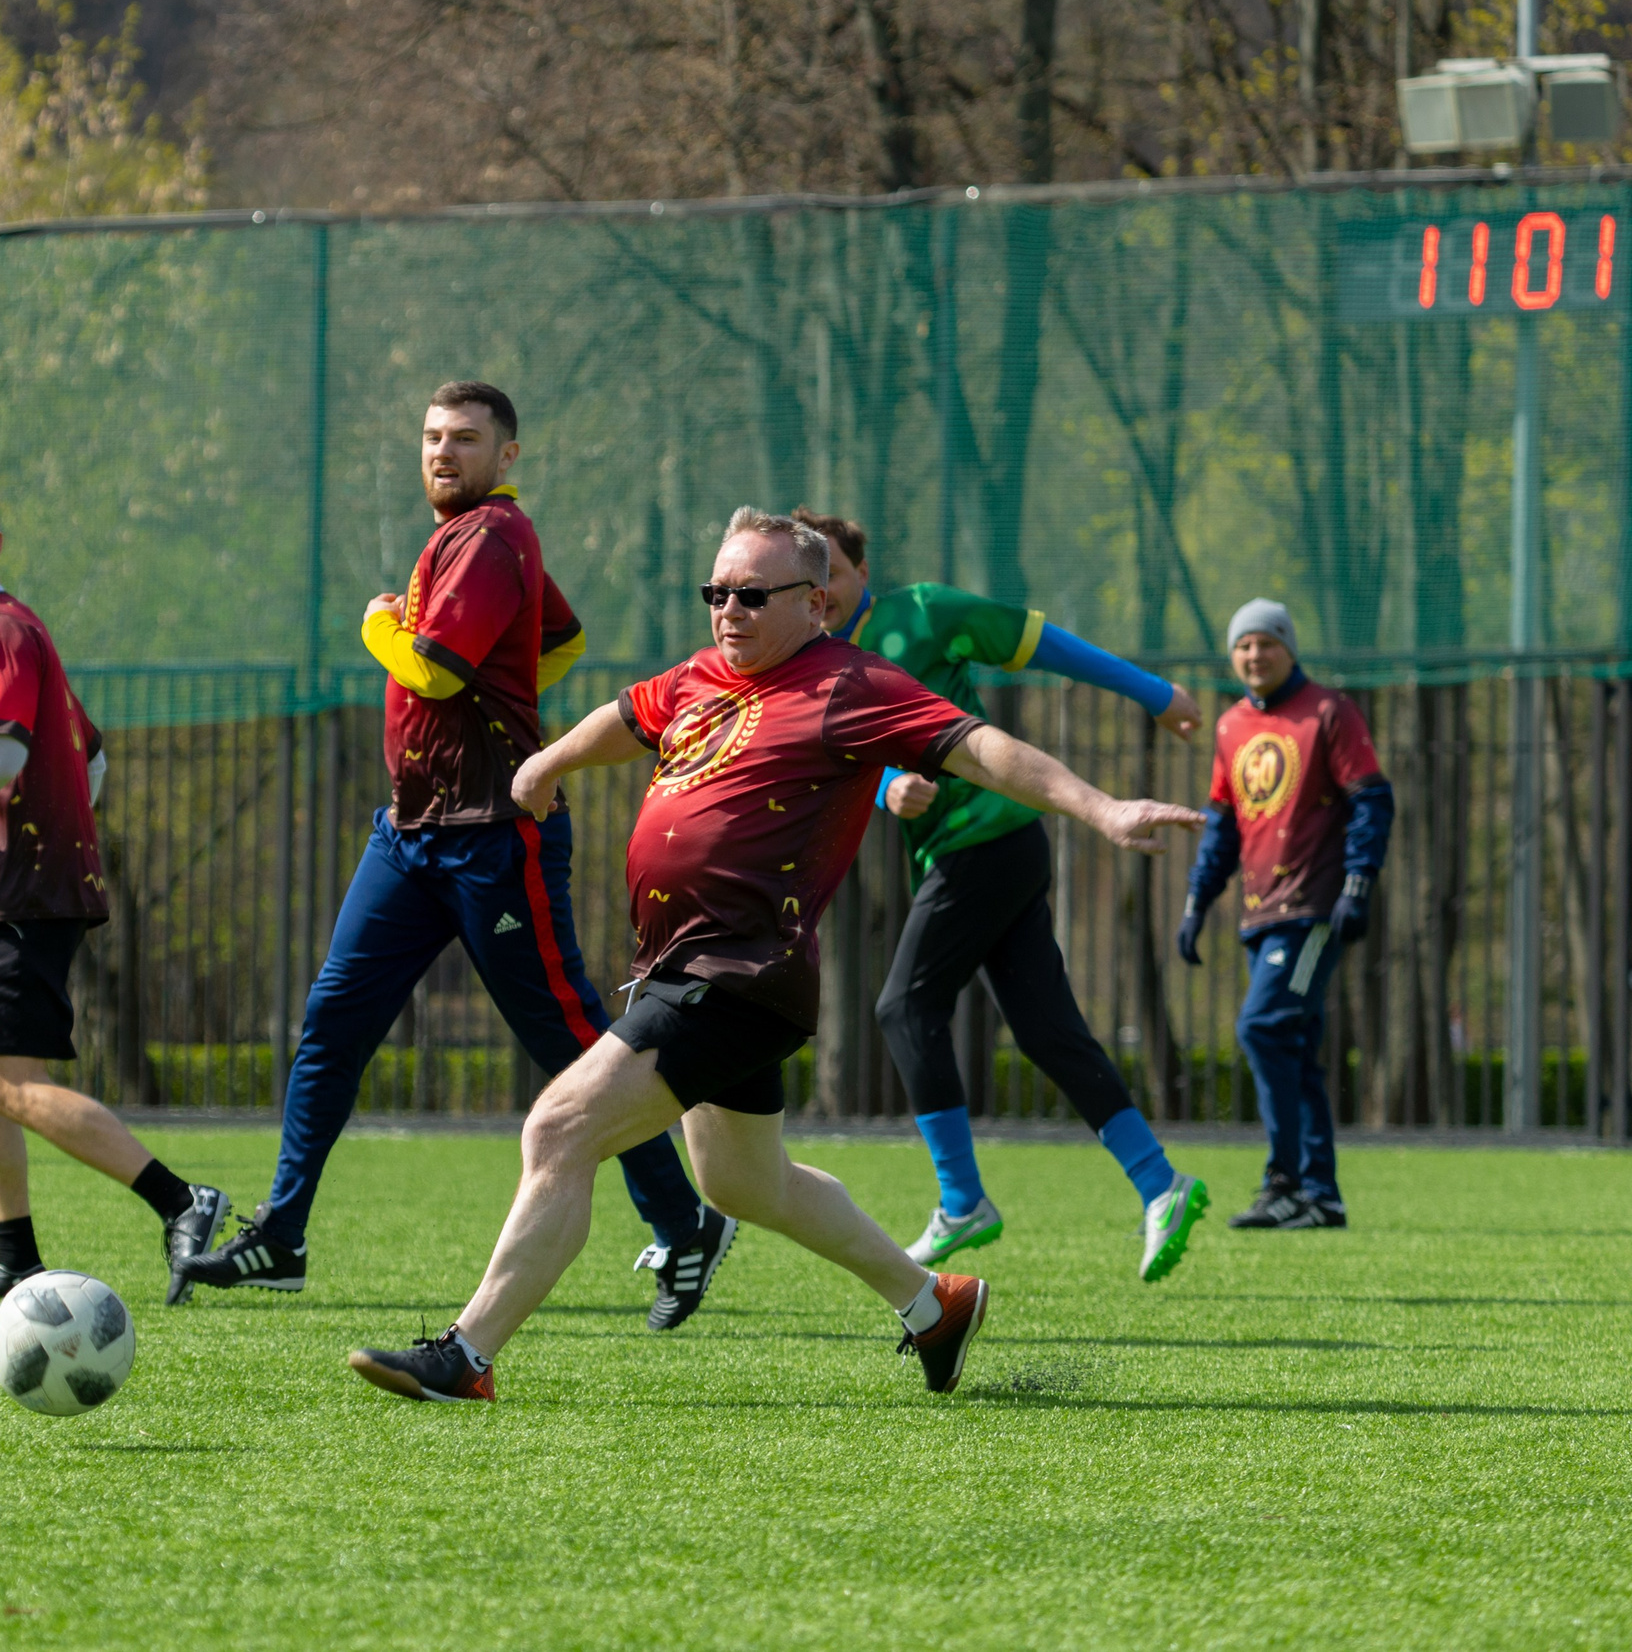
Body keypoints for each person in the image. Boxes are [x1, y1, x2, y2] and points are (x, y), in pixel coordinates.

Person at [345, 507, 1202, 1402]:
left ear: (815, 603)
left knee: (558, 1128)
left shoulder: (851, 684)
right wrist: (550, 762)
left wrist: (1103, 808)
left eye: (752, 595)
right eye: (717, 593)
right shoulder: (701, 675)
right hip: (685, 968)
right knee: (745, 1184)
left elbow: (981, 749)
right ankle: (933, 1304)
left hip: (736, 977)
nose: (729, 610)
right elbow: (626, 716)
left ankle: (466, 1356)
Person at [178, 382, 729, 1332]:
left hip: (491, 836)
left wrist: (377, 624)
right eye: (433, 436)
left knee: (568, 1039)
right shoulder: (467, 539)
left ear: (506, 455)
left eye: (466, 439)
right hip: (409, 835)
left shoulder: (492, 535)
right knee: (333, 1021)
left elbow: (432, 669)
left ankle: (686, 1223)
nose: (444, 452)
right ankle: (283, 1234)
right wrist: (501, 678)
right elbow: (562, 638)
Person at [797, 511, 1214, 1283]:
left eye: (833, 574)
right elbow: (843, 760)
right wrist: (888, 787)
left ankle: (962, 1201)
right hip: (986, 852)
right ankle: (1162, 1184)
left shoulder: (923, 613)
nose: (821, 593)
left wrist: (1155, 693)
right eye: (807, 580)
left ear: (863, 572)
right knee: (1049, 1031)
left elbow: (1045, 645)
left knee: (904, 1007)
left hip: (985, 841)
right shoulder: (810, 663)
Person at [0, 475, 228, 1305]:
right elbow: (89, 756)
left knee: (12, 1084)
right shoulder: (2, 632)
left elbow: (0, 756)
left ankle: (183, 1201)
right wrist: (59, 828)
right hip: (15, 886)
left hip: (27, 893)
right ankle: (15, 1255)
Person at [1179, 599, 1394, 1230]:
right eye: (1243, 645)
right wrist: (1196, 903)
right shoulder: (1230, 727)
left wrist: (1357, 885)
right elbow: (1222, 826)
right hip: (1259, 914)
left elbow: (1372, 800)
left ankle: (1286, 1181)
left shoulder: (1329, 711)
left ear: (1289, 648)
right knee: (1293, 1048)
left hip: (1312, 908)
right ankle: (1319, 1196)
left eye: (1267, 643)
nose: (1255, 655)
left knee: (1263, 1028)